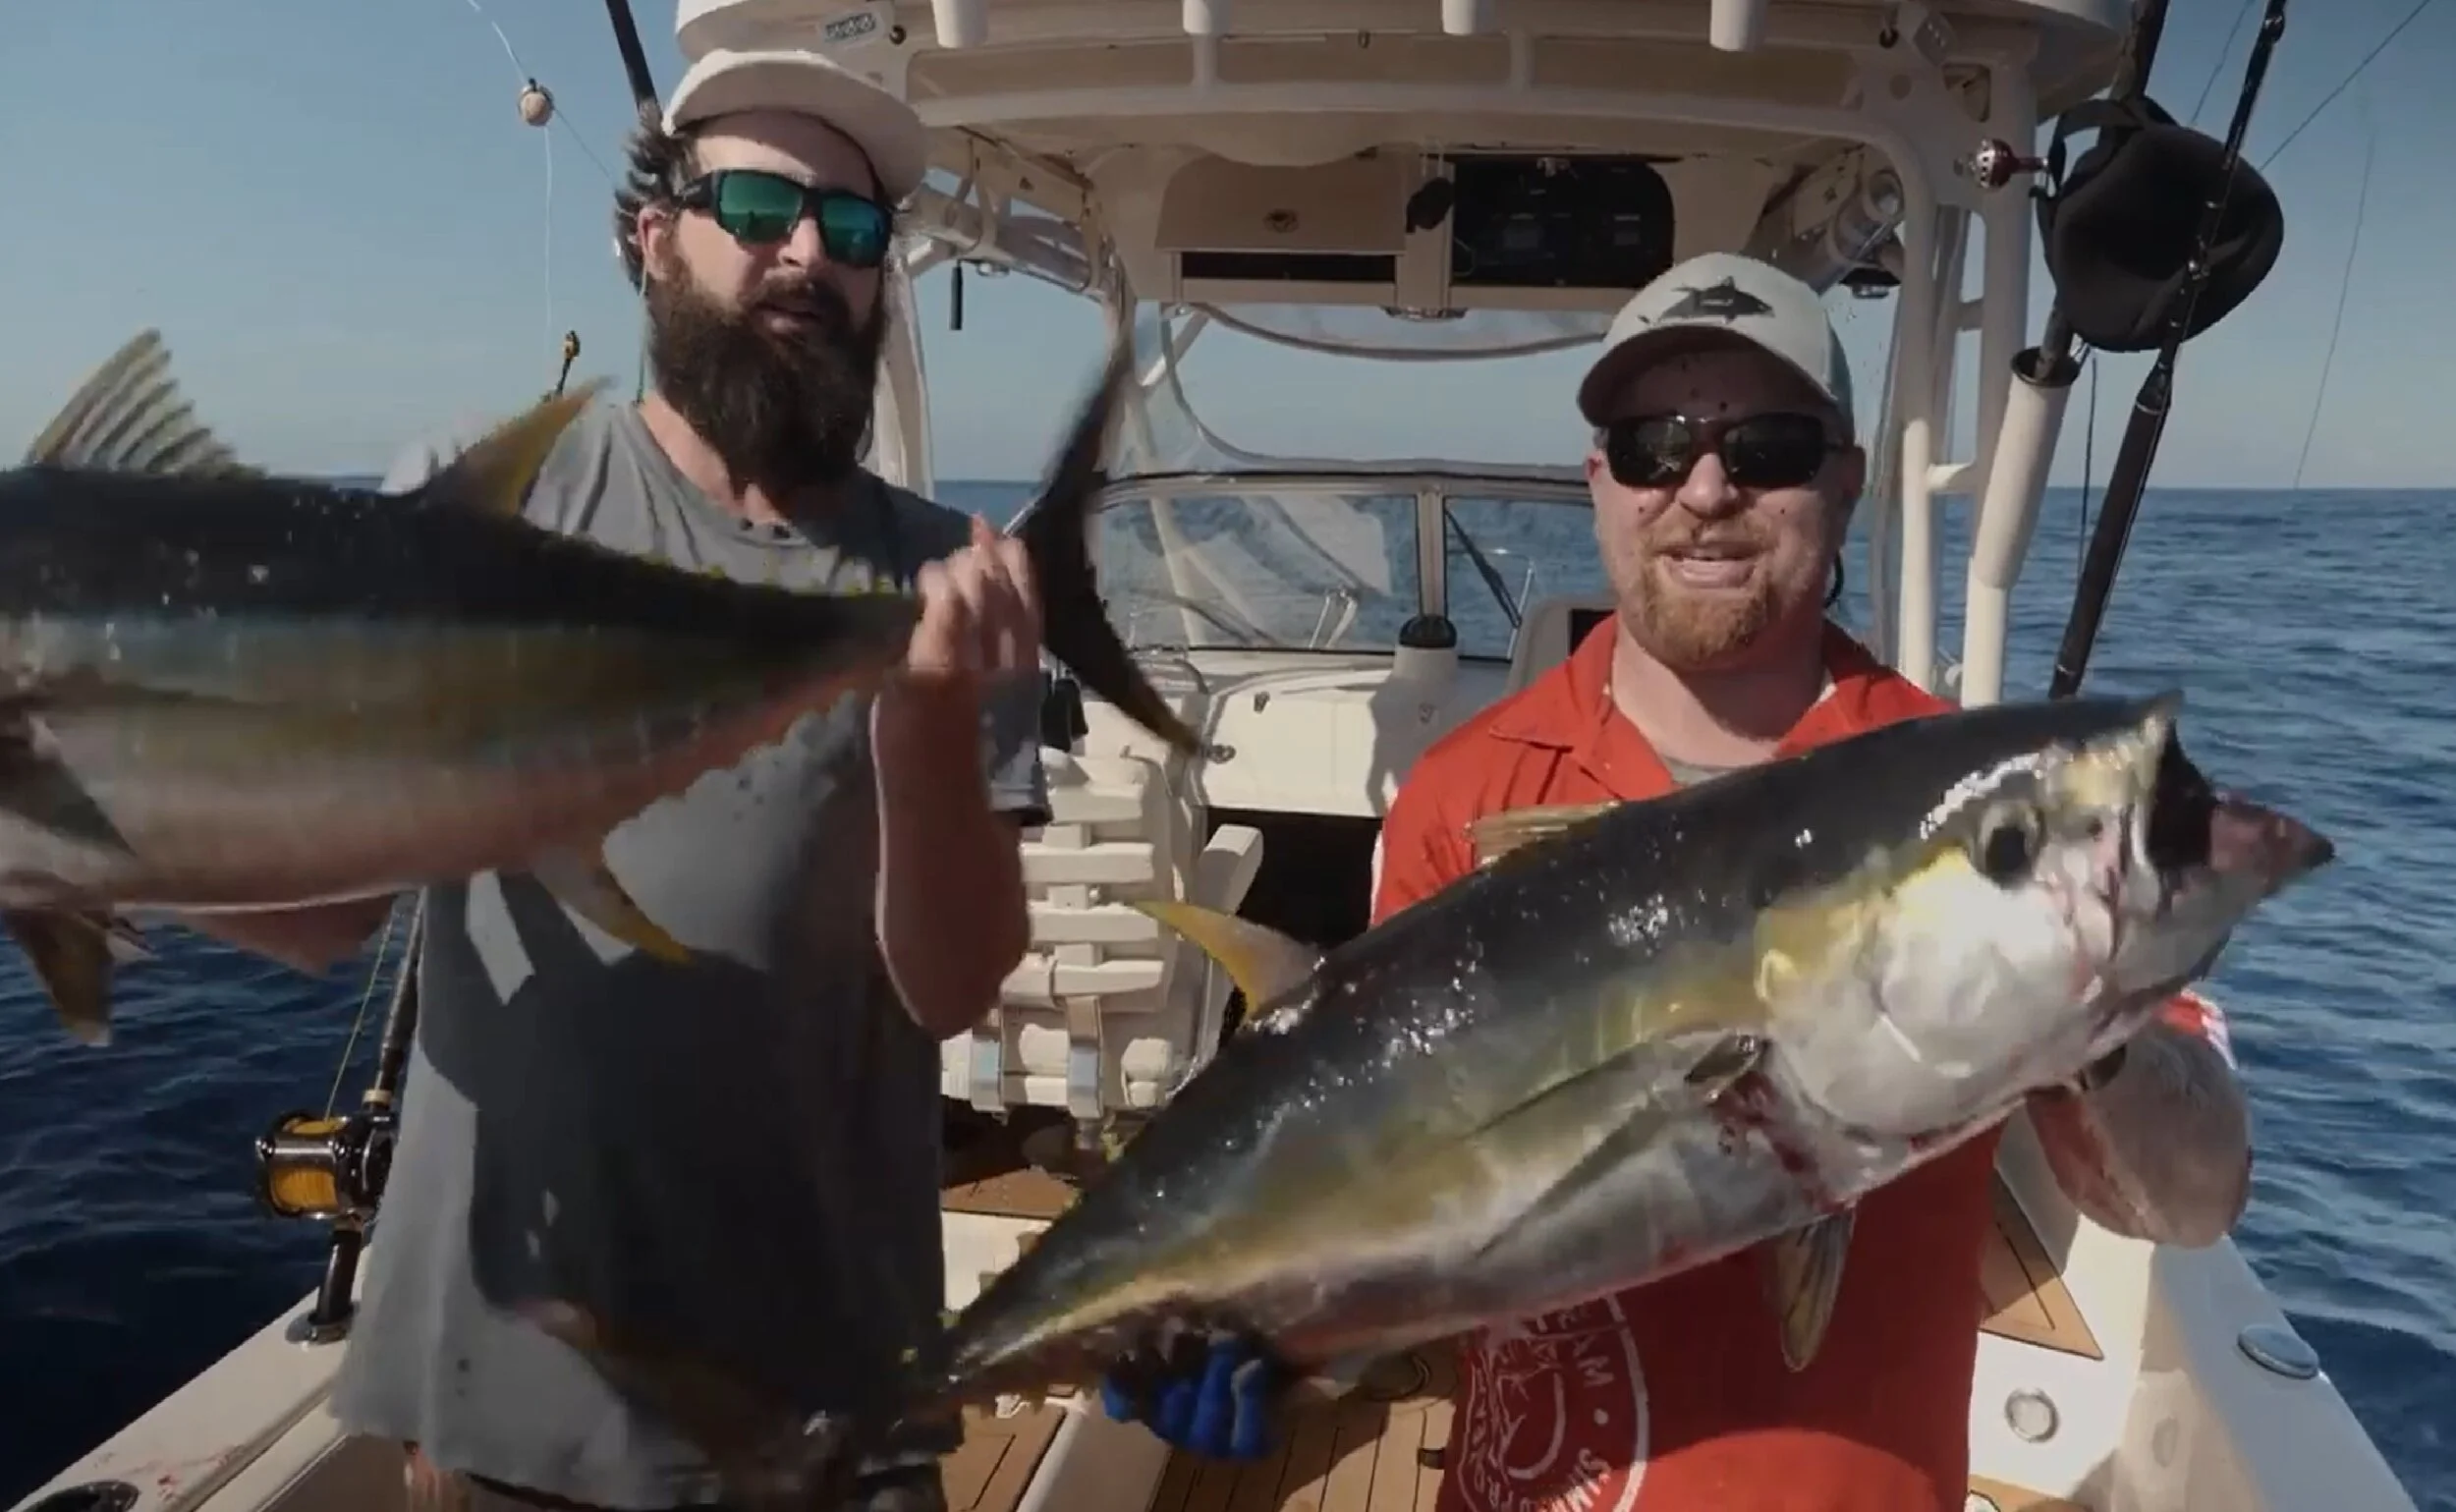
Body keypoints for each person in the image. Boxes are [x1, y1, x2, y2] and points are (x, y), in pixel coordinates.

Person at [1103, 252, 2254, 1511]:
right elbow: (1418, 1203)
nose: (1704, 488)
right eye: (1654, 444)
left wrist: (2082, 1003)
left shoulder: (1979, 813)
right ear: (1599, 480)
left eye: (1765, 444)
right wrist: (1282, 1343)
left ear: (1845, 477)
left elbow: (2189, 1198)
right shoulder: (1463, 794)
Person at [185, 46, 1047, 1512]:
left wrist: (924, 730)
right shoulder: (489, 506)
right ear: (652, 236)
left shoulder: (948, 581)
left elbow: (955, 984)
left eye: (850, 230)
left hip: (826, 1404)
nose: (806, 253)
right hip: (510, 1395)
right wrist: (72, 836)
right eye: (761, 204)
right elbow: (329, 904)